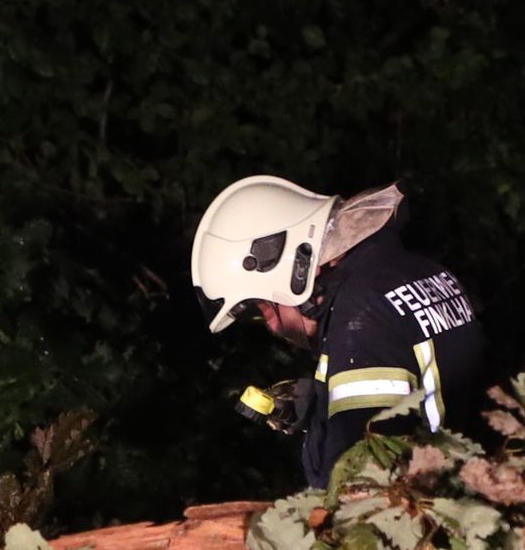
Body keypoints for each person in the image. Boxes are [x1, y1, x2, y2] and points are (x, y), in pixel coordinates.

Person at [189, 175, 485, 486]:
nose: (274, 327)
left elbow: (361, 482)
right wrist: (322, 407)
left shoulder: (359, 316)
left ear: (293, 270)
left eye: (263, 308)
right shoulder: (417, 271)